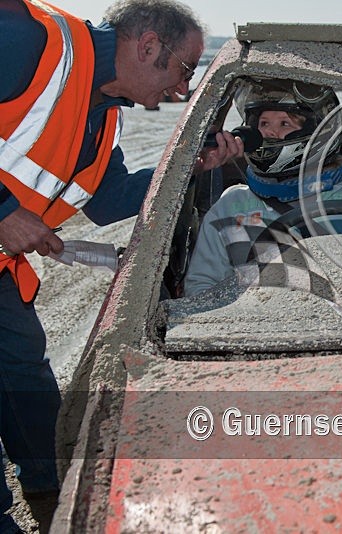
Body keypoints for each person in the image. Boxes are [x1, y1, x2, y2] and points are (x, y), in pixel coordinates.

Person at [0, 1, 243, 531]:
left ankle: (54, 495)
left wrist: (190, 162)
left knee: (27, 384)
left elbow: (108, 201)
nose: (182, 91)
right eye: (184, 71)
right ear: (149, 46)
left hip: (1, 273)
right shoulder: (28, 42)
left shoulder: (102, 114)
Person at [183, 81, 342, 297]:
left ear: (319, 131)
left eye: (284, 124)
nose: (270, 133)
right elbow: (201, 288)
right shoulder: (232, 206)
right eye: (264, 123)